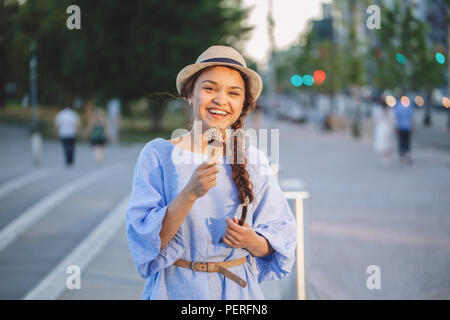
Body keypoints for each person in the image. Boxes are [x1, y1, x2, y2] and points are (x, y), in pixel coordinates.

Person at [125, 45, 296, 300]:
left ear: (243, 104)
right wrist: (189, 194)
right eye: (209, 88)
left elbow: (281, 243)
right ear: (189, 94)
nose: (220, 99)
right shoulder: (158, 155)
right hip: (174, 291)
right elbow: (147, 243)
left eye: (233, 93)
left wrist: (251, 240)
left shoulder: (254, 161)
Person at [372, 98, 396, 168]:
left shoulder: (378, 110)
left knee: (384, 143)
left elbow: (375, 119)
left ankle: (385, 158)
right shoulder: (390, 111)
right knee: (387, 143)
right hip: (388, 128)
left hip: (382, 129)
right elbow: (393, 120)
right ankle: (386, 157)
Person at [393, 97, 415, 165]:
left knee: (401, 142)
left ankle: (402, 156)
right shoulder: (409, 107)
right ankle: (407, 154)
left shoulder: (397, 107)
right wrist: (413, 126)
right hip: (407, 127)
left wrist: (395, 128)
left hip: (400, 127)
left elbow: (395, 118)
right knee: (407, 141)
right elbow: (411, 118)